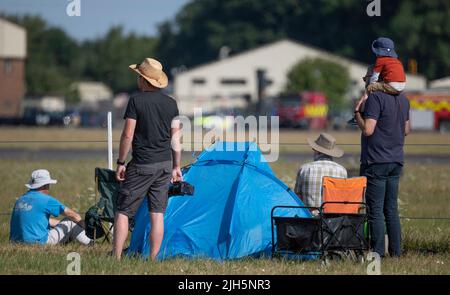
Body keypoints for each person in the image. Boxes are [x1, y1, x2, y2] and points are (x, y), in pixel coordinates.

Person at [113, 58, 182, 261]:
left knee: (123, 210)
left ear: (143, 80)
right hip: (164, 165)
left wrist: (121, 162)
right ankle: (153, 258)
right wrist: (176, 166)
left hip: (142, 163)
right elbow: (176, 138)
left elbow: (127, 135)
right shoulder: (171, 103)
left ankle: (116, 257)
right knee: (157, 213)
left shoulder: (136, 101)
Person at [354, 79, 411, 257]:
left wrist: (357, 112)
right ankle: (396, 252)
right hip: (396, 160)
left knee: (375, 210)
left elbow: (368, 130)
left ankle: (377, 252)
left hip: (376, 161)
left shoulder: (376, 98)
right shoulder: (403, 99)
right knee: (391, 209)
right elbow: (406, 130)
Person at [10, 169, 92, 246]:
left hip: (15, 242)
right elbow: (73, 215)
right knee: (70, 222)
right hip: (38, 242)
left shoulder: (20, 200)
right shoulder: (46, 200)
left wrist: (60, 224)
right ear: (45, 185)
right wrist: (84, 225)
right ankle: (91, 244)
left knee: (65, 222)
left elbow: (38, 221)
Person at [295, 133, 347, 213]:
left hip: (309, 218)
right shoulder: (342, 171)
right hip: (334, 219)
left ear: (317, 151)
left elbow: (297, 197)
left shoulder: (304, 169)